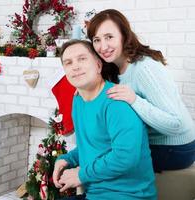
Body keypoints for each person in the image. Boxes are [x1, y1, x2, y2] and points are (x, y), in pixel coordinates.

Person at [87, 9, 195, 172]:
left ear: (124, 35)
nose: (103, 47)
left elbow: (176, 125)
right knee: (98, 151)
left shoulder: (144, 68)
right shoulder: (114, 68)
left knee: (106, 159)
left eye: (109, 37)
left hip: (176, 147)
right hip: (151, 142)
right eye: (97, 40)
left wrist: (135, 100)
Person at [53, 39, 156, 200]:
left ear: (98, 65)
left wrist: (81, 174)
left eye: (82, 59)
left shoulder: (116, 102)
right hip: (95, 194)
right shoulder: (78, 100)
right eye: (68, 62)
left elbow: (125, 157)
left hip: (127, 196)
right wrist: (66, 159)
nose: (75, 66)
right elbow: (94, 146)